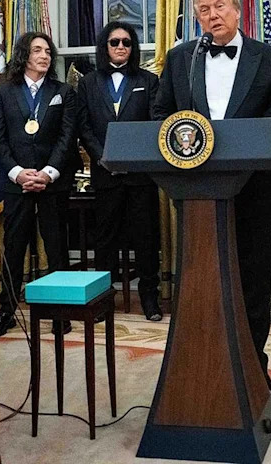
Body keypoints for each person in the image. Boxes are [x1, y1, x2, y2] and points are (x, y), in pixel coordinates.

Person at [153, 0, 271, 399]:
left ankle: (254, 369)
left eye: (219, 6)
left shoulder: (268, 58)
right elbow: (162, 111)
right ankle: (200, 366)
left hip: (254, 190)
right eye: (203, 10)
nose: (212, 15)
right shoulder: (182, 59)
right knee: (201, 283)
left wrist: (240, 141)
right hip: (197, 192)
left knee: (251, 282)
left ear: (237, 11)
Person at [0, 32, 77, 339]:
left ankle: (60, 312)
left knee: (57, 249)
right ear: (24, 55)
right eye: (37, 50)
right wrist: (18, 173)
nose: (45, 55)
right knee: (14, 249)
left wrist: (48, 173)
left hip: (52, 184)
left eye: (48, 51)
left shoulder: (63, 91)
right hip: (18, 185)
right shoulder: (3, 91)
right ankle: (7, 310)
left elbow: (68, 138)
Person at [77, 21, 162, 322]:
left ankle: (150, 299)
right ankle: (103, 300)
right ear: (105, 46)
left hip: (141, 176)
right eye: (115, 42)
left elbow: (156, 123)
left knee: (146, 237)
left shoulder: (149, 81)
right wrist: (102, 157)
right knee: (105, 240)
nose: (121, 47)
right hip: (105, 173)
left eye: (127, 42)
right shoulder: (88, 83)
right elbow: (84, 126)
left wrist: (134, 157)